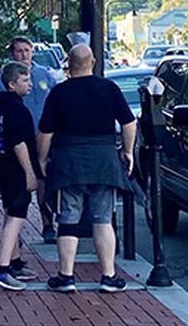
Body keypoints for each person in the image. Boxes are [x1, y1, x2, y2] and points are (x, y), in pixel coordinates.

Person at [35, 44, 136, 294]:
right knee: (103, 219)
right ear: (93, 61)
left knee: (68, 218)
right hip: (104, 160)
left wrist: (41, 160)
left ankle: (66, 276)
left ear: (68, 63)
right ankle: (108, 276)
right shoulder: (108, 88)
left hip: (69, 160)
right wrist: (127, 151)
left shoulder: (59, 93)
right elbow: (129, 122)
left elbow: (45, 132)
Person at [0, 36, 57, 237]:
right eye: (19, 50)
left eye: (27, 50)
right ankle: (12, 231)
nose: (24, 54)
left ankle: (47, 223)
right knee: (16, 190)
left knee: (43, 181)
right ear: (12, 53)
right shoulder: (4, 80)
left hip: (43, 136)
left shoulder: (44, 74)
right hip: (16, 140)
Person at [0, 61, 40, 290]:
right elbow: (19, 143)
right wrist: (30, 173)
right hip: (14, 167)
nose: (30, 84)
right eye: (25, 80)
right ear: (11, 84)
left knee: (10, 212)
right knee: (16, 214)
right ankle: (2, 266)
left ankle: (14, 262)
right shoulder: (16, 110)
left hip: (2, 164)